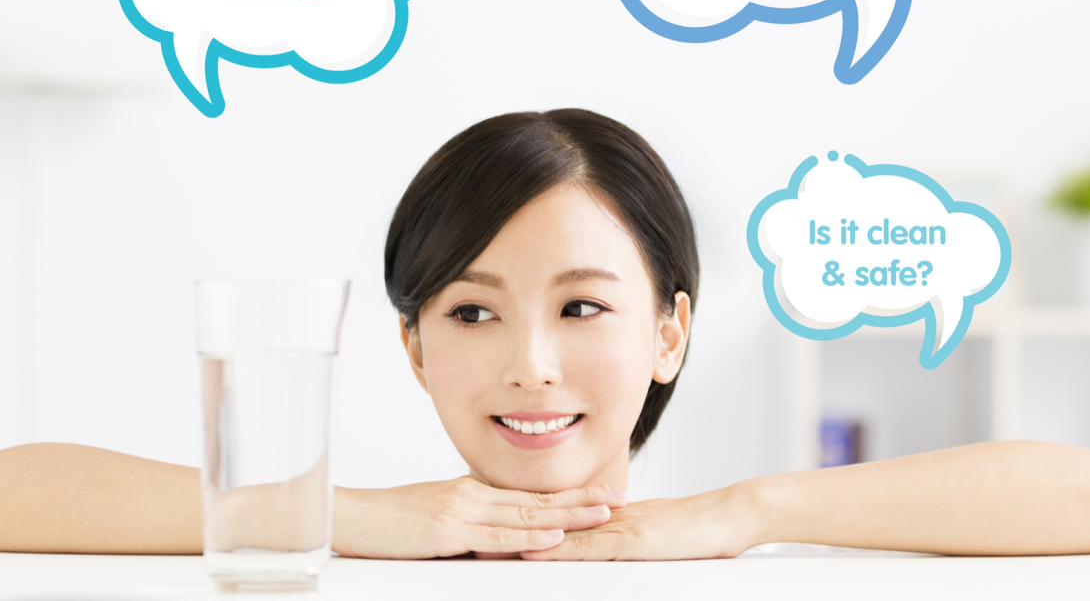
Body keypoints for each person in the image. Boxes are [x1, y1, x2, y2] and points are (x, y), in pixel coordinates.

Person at [1, 109, 1089, 560]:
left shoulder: (730, 553)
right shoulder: (350, 550)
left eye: (582, 306)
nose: (531, 363)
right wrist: (352, 518)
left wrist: (744, 511)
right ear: (413, 344)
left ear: (670, 333)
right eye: (473, 311)